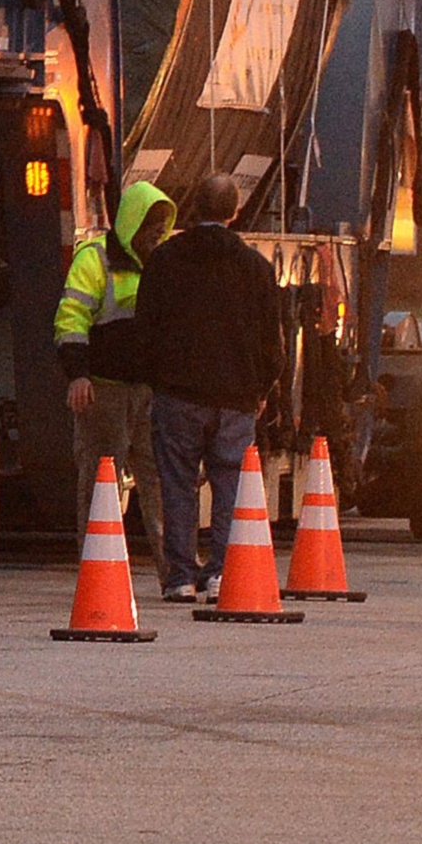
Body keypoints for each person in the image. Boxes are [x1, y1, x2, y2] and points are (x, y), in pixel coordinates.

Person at [129, 170, 288, 601]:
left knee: (177, 486)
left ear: (194, 209)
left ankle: (180, 578)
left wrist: (157, 380)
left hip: (178, 396)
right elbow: (273, 342)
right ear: (235, 212)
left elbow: (145, 330)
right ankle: (220, 573)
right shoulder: (256, 268)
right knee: (229, 487)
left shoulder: (164, 261)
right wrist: (260, 389)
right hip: (236, 400)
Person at [57, 178, 175, 549]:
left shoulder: (159, 264)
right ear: (132, 225)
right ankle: (97, 563)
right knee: (100, 483)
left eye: (161, 230)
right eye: (151, 229)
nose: (156, 236)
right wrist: (77, 375)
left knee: (157, 480)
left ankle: (174, 573)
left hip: (146, 391)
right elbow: (71, 319)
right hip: (103, 390)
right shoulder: (94, 259)